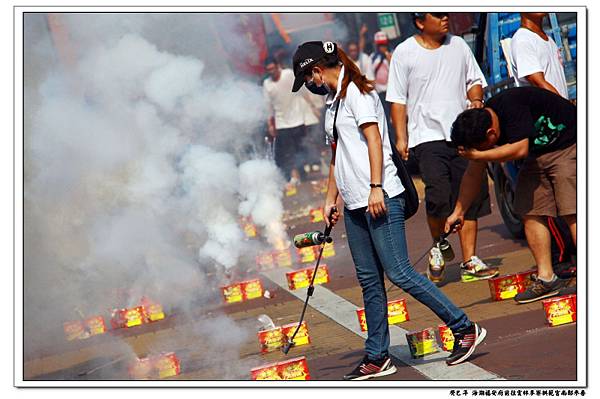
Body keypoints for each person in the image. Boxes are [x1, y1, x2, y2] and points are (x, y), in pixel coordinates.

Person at [291, 40, 487, 380]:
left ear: (317, 70)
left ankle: (464, 326)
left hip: (381, 197)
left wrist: (376, 187)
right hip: (355, 204)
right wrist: (330, 199)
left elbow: (374, 142)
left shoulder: (358, 94)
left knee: (398, 272)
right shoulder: (333, 104)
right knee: (369, 281)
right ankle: (377, 355)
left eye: (309, 78)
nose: (312, 85)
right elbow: (338, 156)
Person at [387, 12, 499, 283]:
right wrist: (401, 138)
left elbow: (474, 81)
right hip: (426, 138)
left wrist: (475, 100)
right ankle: (438, 246)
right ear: (419, 22)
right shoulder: (404, 53)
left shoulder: (458, 45)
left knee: (469, 198)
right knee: (438, 197)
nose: (445, 19)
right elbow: (398, 101)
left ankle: (469, 260)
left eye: (445, 13)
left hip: (462, 134)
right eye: (437, 15)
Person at [447, 86, 576, 303]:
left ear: (491, 134)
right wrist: (458, 212)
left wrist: (482, 154)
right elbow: (473, 173)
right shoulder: (484, 128)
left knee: (571, 210)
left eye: (481, 149)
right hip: (537, 156)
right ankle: (547, 278)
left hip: (568, 144)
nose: (480, 153)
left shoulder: (510, 106)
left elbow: (520, 149)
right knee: (529, 210)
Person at [263, 57, 307, 184]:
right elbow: (268, 106)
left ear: (278, 66)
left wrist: (310, 108)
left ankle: (302, 172)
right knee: (288, 151)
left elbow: (302, 90)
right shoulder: (267, 84)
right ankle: (295, 176)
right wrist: (270, 125)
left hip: (297, 118)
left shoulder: (288, 74)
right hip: (281, 122)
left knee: (299, 148)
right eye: (268, 70)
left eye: (272, 68)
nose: (271, 72)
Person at [509, 13, 569, 99]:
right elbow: (539, 84)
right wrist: (566, 107)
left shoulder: (548, 39)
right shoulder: (522, 40)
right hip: (547, 111)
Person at [370, 31, 392, 129]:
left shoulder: (393, 54)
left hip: (392, 91)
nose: (382, 47)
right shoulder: (373, 58)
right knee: (386, 119)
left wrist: (389, 59)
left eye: (384, 45)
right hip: (381, 93)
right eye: (380, 45)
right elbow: (370, 76)